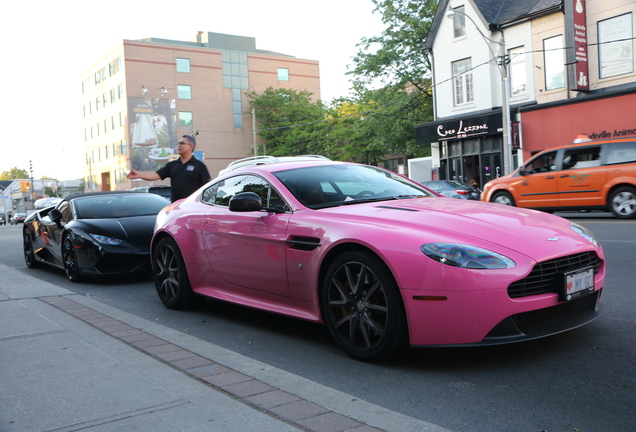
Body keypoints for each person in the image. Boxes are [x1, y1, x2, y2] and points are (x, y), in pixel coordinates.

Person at [126, 135, 211, 202]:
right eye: (178, 143)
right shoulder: (173, 165)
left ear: (191, 146)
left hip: (192, 206)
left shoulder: (199, 166)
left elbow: (208, 188)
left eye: (182, 143)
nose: (179, 145)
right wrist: (139, 175)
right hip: (176, 206)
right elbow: (156, 175)